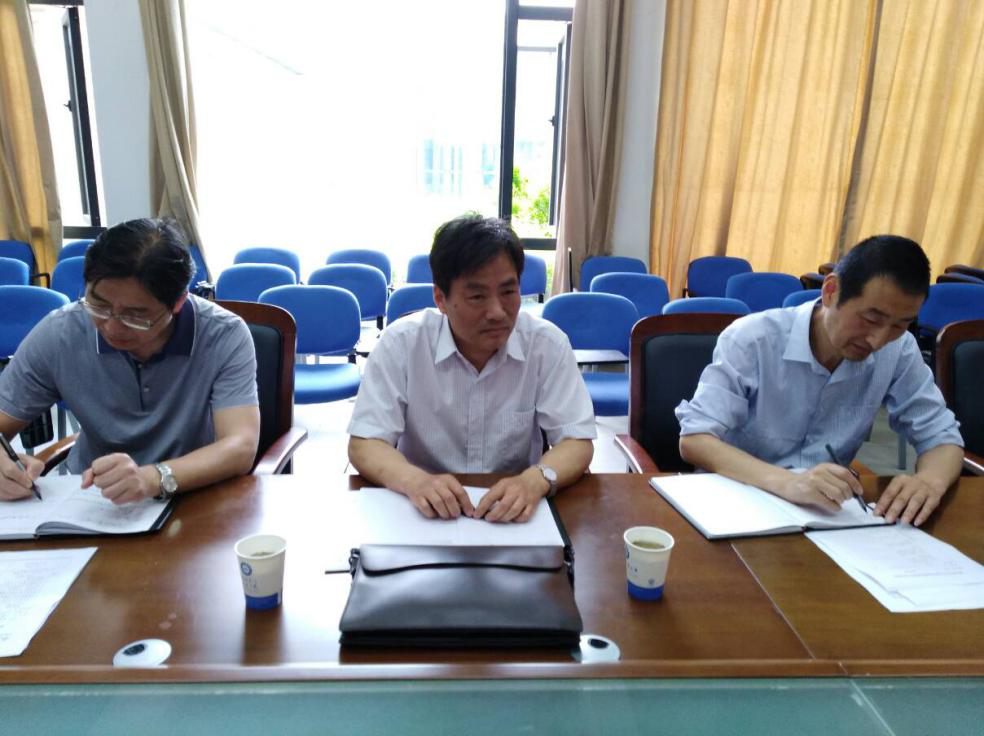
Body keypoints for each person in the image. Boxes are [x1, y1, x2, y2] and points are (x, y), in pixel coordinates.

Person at [676, 235, 963, 527]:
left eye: (900, 326)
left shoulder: (898, 349)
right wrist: (788, 482)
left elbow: (942, 437)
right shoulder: (754, 339)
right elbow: (696, 439)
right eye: (871, 319)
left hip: (825, 516)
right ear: (831, 291)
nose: (878, 340)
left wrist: (930, 481)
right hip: (736, 502)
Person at [348, 214, 595, 523]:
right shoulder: (401, 344)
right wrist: (414, 480)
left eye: (508, 292)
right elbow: (365, 443)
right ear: (441, 298)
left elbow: (576, 441)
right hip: (420, 513)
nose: (497, 312)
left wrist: (535, 480)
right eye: (477, 296)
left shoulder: (547, 345)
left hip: (514, 514)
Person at [0, 218, 260, 504]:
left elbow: (240, 447)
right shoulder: (61, 332)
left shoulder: (223, 334)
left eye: (135, 316)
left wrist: (153, 478)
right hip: (92, 498)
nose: (112, 327)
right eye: (99, 305)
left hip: (193, 493)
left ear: (178, 302)